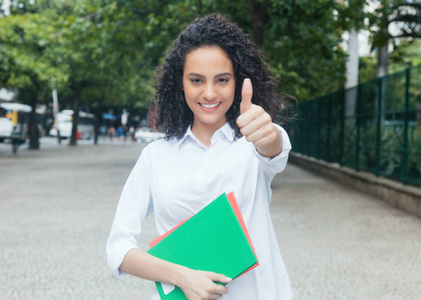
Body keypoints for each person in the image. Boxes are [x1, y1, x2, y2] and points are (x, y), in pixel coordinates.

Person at [106, 14, 294, 300]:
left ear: (238, 81)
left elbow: (274, 149)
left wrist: (268, 134)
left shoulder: (253, 143)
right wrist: (183, 277)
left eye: (222, 80)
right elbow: (118, 249)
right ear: (180, 83)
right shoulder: (155, 157)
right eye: (196, 80)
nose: (209, 93)